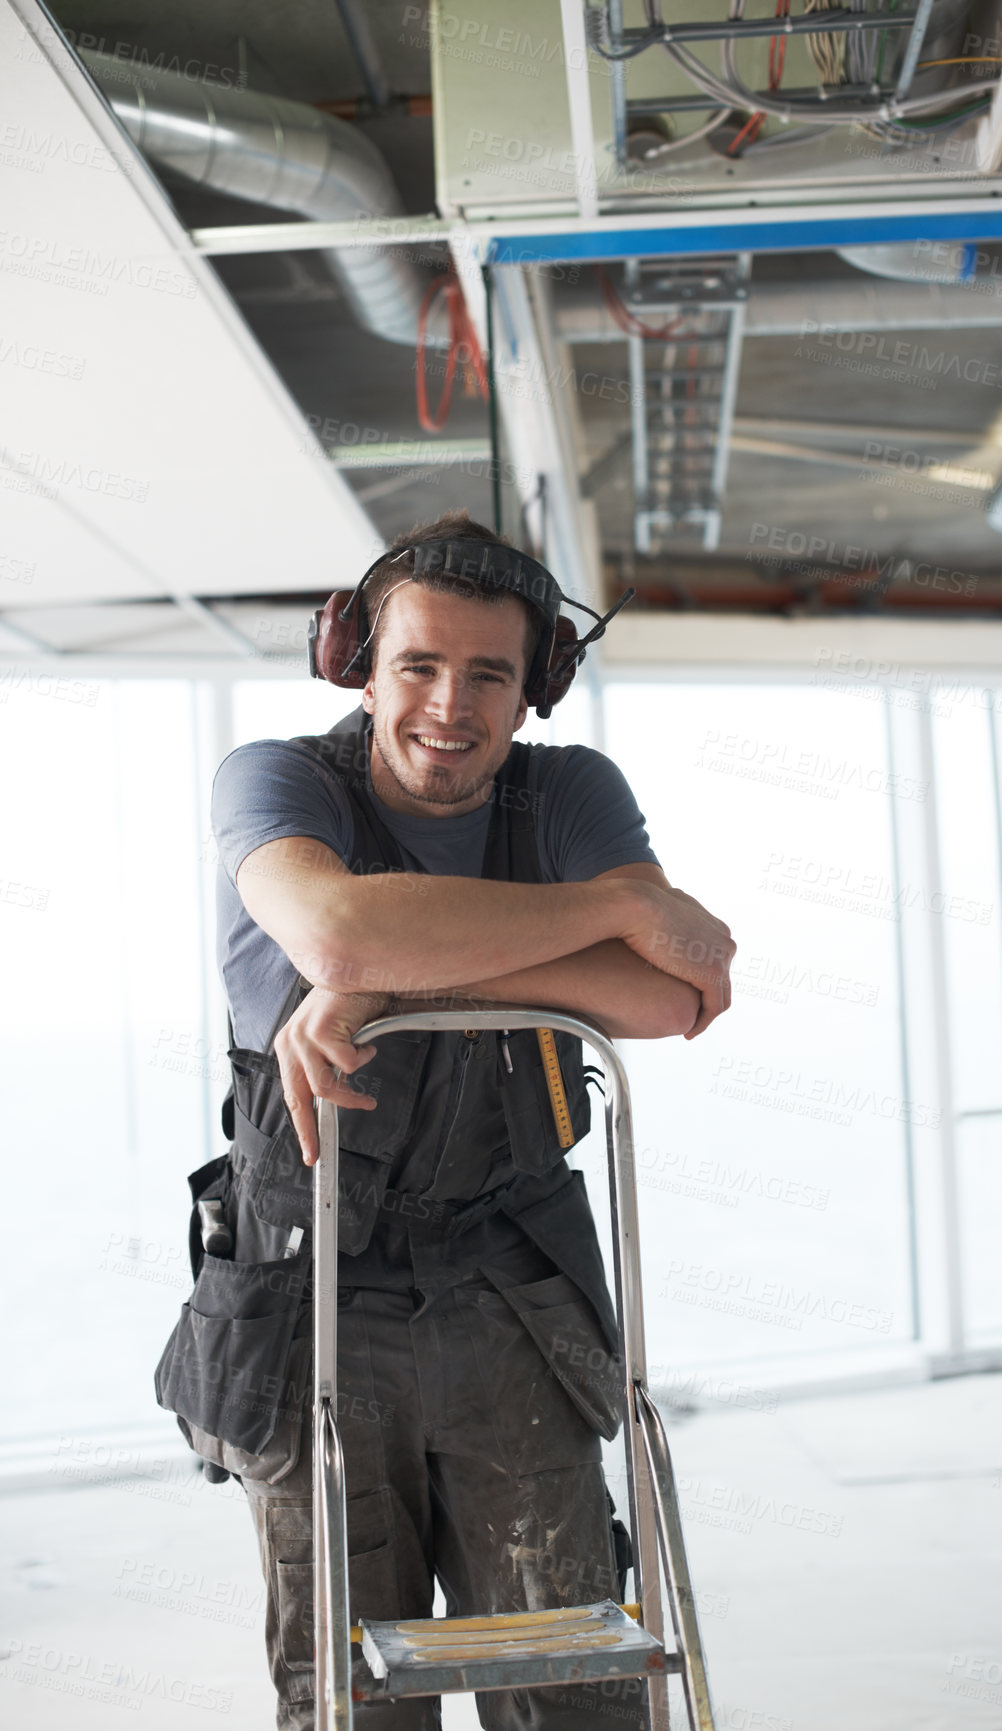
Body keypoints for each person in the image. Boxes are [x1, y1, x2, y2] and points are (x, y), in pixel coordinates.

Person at [156, 512, 734, 1730]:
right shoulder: (273, 783)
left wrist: (375, 988)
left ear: (536, 692)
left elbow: (675, 988)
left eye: (489, 675)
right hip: (314, 1301)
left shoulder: (571, 791)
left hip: (512, 1299)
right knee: (347, 1698)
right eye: (417, 665)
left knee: (572, 1684)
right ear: (358, 662)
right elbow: (336, 929)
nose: (449, 706)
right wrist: (568, 927)